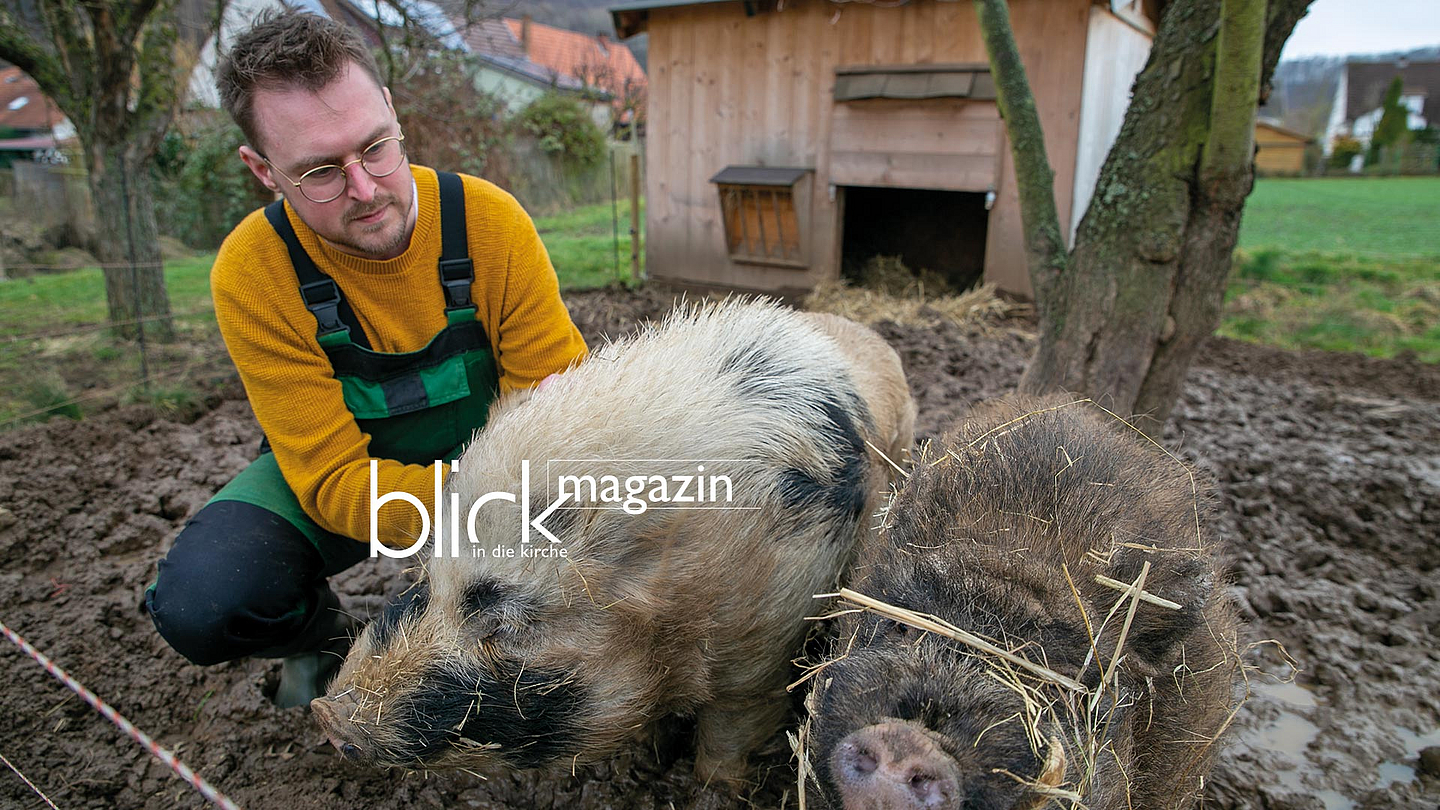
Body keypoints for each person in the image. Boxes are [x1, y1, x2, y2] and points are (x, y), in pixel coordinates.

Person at [144, 10, 588, 706]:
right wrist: (481, 521)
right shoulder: (253, 272)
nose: (368, 188)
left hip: (500, 461)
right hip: (347, 475)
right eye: (321, 171)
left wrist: (523, 519)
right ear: (263, 170)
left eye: (376, 147)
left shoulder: (489, 225)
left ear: (390, 109)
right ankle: (320, 639)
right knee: (207, 600)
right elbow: (333, 481)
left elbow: (564, 411)